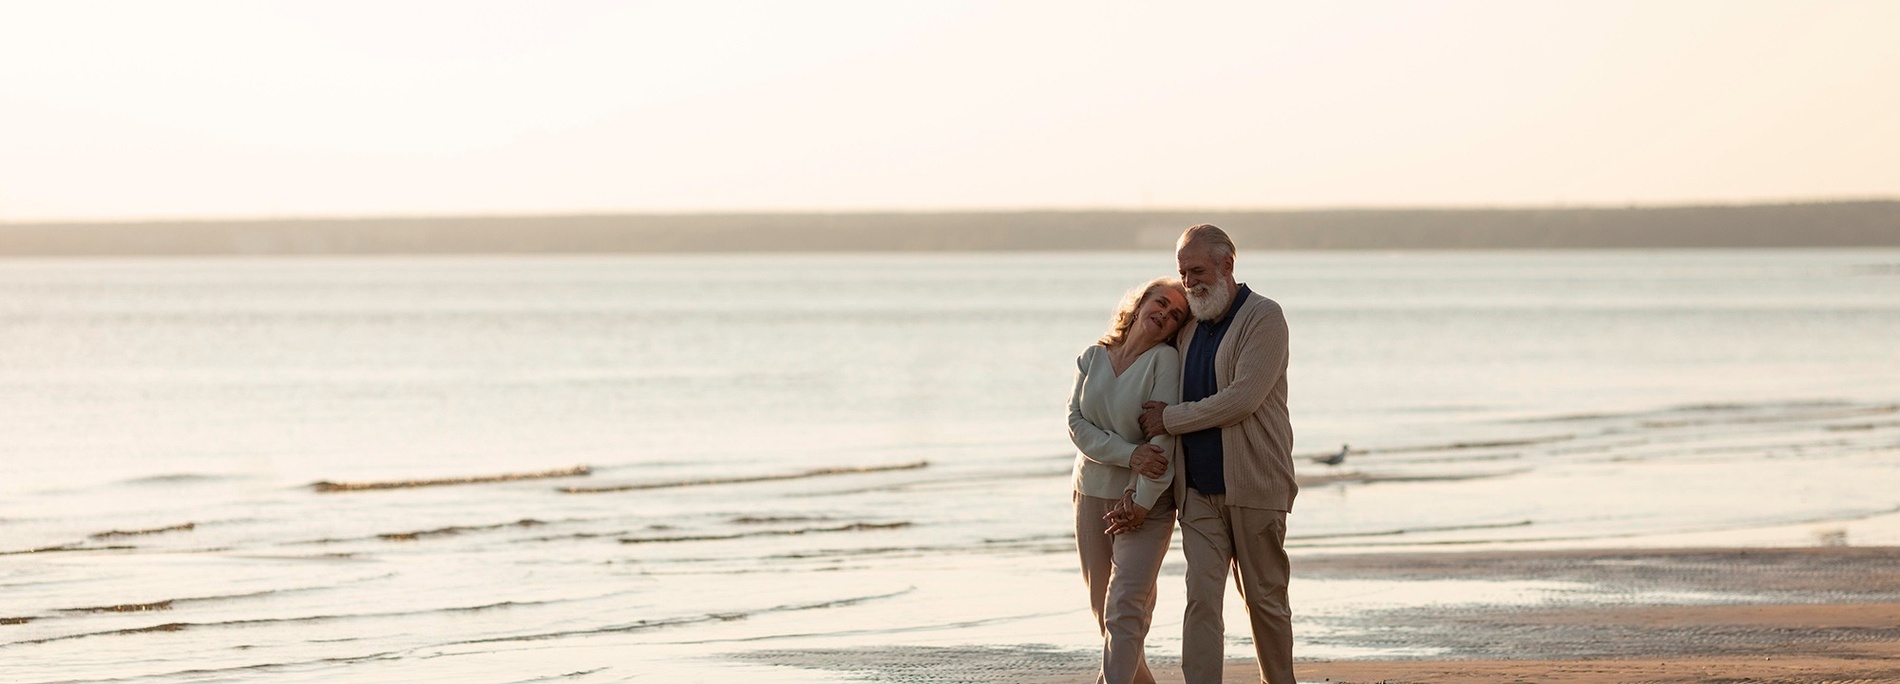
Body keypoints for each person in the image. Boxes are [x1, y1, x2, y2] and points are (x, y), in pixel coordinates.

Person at [1139, 224, 1298, 684]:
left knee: (1265, 599)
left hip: (1256, 485)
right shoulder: (1188, 325)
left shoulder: (1265, 318)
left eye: (1198, 270)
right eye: (1182, 272)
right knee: (1201, 599)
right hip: (1198, 493)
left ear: (1228, 265)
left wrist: (1169, 419)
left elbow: (1241, 399)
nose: (1189, 282)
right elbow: (1142, 349)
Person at [1066, 276, 1190, 684]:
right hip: (1090, 495)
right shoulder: (1092, 356)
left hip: (1143, 502)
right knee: (1107, 614)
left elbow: (1162, 439)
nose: (1165, 315)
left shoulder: (1164, 362)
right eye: (1160, 303)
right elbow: (1075, 424)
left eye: (1176, 315)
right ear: (1139, 305)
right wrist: (1128, 453)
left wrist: (1140, 499)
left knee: (1125, 611)